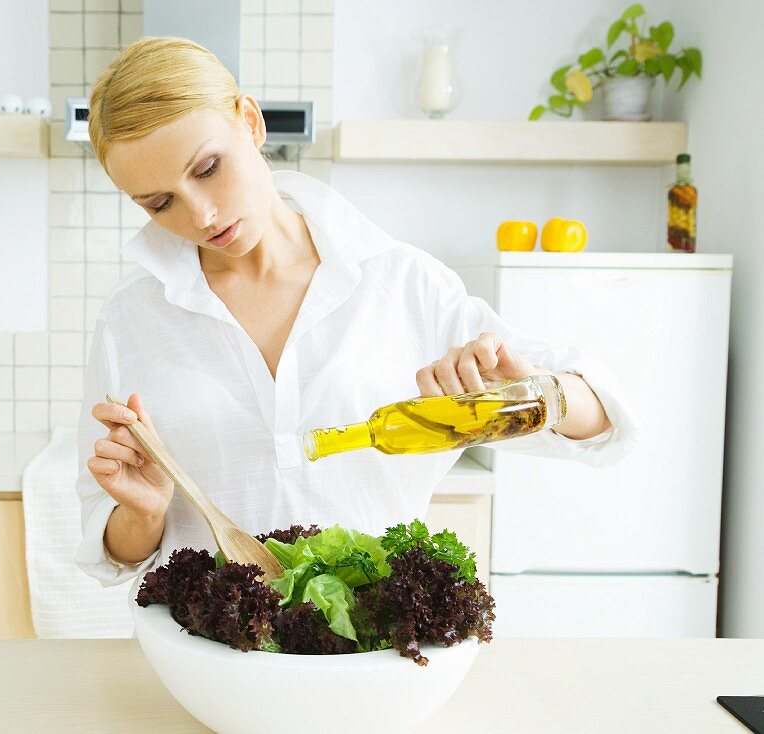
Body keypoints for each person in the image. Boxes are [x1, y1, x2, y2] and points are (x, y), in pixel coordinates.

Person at [74, 37, 640, 588]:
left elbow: (607, 421)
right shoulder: (131, 320)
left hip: (369, 652)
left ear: (250, 122)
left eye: (207, 168)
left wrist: (531, 389)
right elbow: (113, 550)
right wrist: (143, 515)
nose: (200, 214)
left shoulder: (401, 282)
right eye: (160, 203)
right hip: (203, 660)